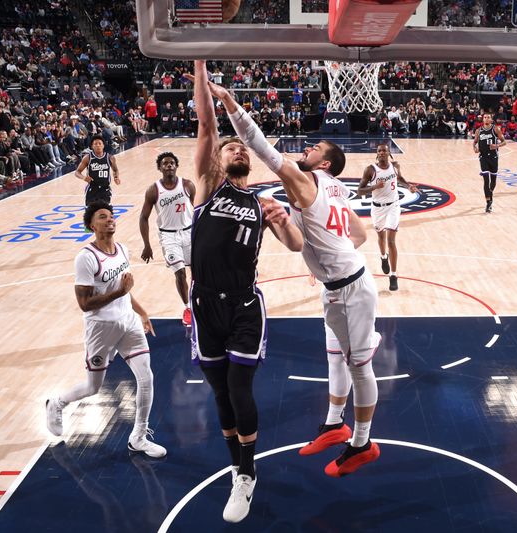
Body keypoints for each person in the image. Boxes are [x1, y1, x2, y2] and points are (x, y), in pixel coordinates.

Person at [209, 75, 383, 484]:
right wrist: (324, 252)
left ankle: (361, 443)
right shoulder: (336, 187)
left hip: (352, 289)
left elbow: (260, 146)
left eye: (315, 148)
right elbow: (358, 234)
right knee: (334, 357)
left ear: (322, 164)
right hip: (339, 285)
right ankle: (334, 424)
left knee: (359, 369)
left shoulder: (305, 180)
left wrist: (231, 104)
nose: (307, 147)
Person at [190, 61, 304, 524]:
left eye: (240, 146)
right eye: (229, 145)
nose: (235, 147)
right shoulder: (207, 186)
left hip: (242, 305)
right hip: (203, 304)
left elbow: (296, 246)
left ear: (248, 161)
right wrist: (198, 62)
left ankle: (246, 473)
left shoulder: (263, 202)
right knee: (220, 393)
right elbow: (205, 123)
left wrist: (285, 222)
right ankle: (237, 464)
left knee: (239, 387)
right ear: (220, 159)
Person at [45, 201, 166, 459]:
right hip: (101, 328)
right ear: (92, 225)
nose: (110, 220)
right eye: (103, 217)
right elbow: (85, 304)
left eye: (111, 216)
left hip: (128, 323)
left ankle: (139, 437)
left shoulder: (122, 249)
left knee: (146, 378)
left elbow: (125, 291)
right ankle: (57, 403)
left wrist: (142, 311)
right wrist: (119, 292)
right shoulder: (86, 258)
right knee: (93, 387)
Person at [139, 152, 196, 328]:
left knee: (198, 272)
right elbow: (143, 217)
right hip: (168, 236)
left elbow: (199, 208)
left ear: (176, 166)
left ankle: (199, 303)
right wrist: (147, 245)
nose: (169, 165)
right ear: (159, 168)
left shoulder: (187, 185)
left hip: (189, 232)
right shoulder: (153, 190)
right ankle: (187, 308)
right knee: (179, 273)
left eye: (172, 163)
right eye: (165, 163)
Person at [357, 143, 418, 290]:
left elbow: (400, 178)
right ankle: (383, 257)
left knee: (391, 240)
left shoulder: (395, 166)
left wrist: (408, 186)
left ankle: (393, 275)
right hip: (377, 208)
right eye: (380, 151)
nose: (382, 152)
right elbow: (360, 191)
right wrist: (374, 187)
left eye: (385, 150)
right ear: (377, 154)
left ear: (389, 152)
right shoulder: (370, 170)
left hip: (393, 206)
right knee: (381, 237)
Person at [472, 112, 506, 212]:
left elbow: (504, 142)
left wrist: (497, 146)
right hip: (483, 157)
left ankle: (489, 194)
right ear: (483, 119)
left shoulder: (495, 129)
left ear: (491, 120)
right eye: (485, 117)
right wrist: (475, 148)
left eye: (488, 117)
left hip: (493, 157)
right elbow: (474, 142)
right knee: (486, 180)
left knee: (493, 182)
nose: (486, 119)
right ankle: (488, 202)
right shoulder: (478, 131)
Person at [75, 135, 119, 206]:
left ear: (103, 145)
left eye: (100, 143)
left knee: (104, 213)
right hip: (92, 189)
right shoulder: (87, 158)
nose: (98, 145)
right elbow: (77, 172)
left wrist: (116, 177)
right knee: (90, 214)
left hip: (105, 189)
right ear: (92, 146)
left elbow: (115, 170)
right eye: (95, 144)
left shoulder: (110, 157)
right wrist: (84, 177)